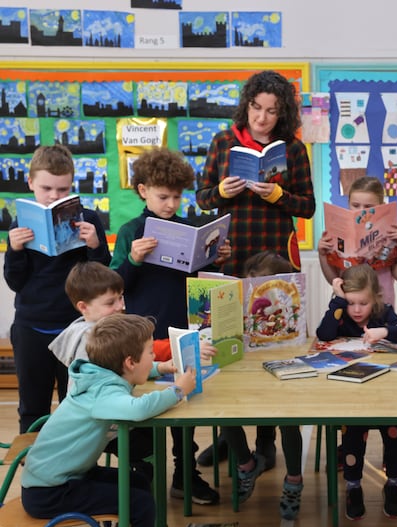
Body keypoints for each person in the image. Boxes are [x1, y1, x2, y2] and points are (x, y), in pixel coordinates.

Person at [111, 147, 230, 506]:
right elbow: (116, 284)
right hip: (144, 335)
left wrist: (216, 258)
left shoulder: (190, 227)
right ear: (143, 190)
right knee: (146, 407)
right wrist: (133, 257)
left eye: (177, 197)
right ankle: (144, 475)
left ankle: (185, 474)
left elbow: (200, 280)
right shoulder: (131, 231)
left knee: (186, 404)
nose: (170, 204)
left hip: (184, 328)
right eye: (163, 196)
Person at [21, 313, 195, 527]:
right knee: (140, 504)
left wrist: (159, 368)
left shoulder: (100, 374)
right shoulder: (104, 392)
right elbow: (139, 409)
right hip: (50, 492)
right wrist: (177, 391)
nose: (154, 357)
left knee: (138, 483)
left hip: (62, 478)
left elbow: (130, 372)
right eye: (151, 353)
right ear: (130, 362)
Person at [3, 144, 111, 433]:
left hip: (75, 327)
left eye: (62, 190)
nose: (54, 196)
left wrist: (95, 247)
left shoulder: (88, 220)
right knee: (32, 406)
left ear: (72, 186)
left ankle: (71, 469)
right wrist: (14, 250)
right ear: (30, 184)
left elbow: (103, 277)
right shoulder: (20, 223)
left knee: (74, 404)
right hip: (31, 326)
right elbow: (15, 282)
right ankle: (34, 472)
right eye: (46, 188)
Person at [213, 251, 306, 519]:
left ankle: (294, 480)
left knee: (289, 421)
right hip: (245, 369)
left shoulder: (290, 300)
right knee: (224, 412)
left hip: (282, 369)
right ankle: (246, 464)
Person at [315, 264, 397, 520]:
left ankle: (394, 483)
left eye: (363, 303)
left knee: (394, 430)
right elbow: (323, 333)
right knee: (353, 434)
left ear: (376, 298)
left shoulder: (383, 314)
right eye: (351, 303)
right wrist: (337, 301)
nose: (356, 310)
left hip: (384, 395)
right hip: (351, 396)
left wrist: (384, 331)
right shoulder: (341, 313)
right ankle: (353, 486)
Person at [196, 70, 316, 275]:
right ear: (246, 105)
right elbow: (202, 199)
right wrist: (221, 192)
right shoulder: (222, 142)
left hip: (275, 250)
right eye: (256, 107)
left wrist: (279, 196)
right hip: (232, 248)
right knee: (230, 306)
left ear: (282, 114)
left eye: (271, 111)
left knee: (276, 306)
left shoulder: (293, 148)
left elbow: (308, 208)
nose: (261, 118)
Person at [47, 261, 155, 480]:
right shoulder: (93, 342)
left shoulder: (93, 331)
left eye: (120, 298)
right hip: (97, 428)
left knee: (145, 428)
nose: (120, 306)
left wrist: (158, 367)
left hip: (96, 420)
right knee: (148, 438)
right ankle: (138, 485)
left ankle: (135, 481)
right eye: (110, 303)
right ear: (83, 307)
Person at [318, 175, 397, 305]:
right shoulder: (338, 233)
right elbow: (334, 280)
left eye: (368, 206)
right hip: (350, 305)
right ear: (348, 204)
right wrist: (322, 254)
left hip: (382, 305)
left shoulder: (392, 232)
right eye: (355, 205)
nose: (361, 211)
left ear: (382, 206)